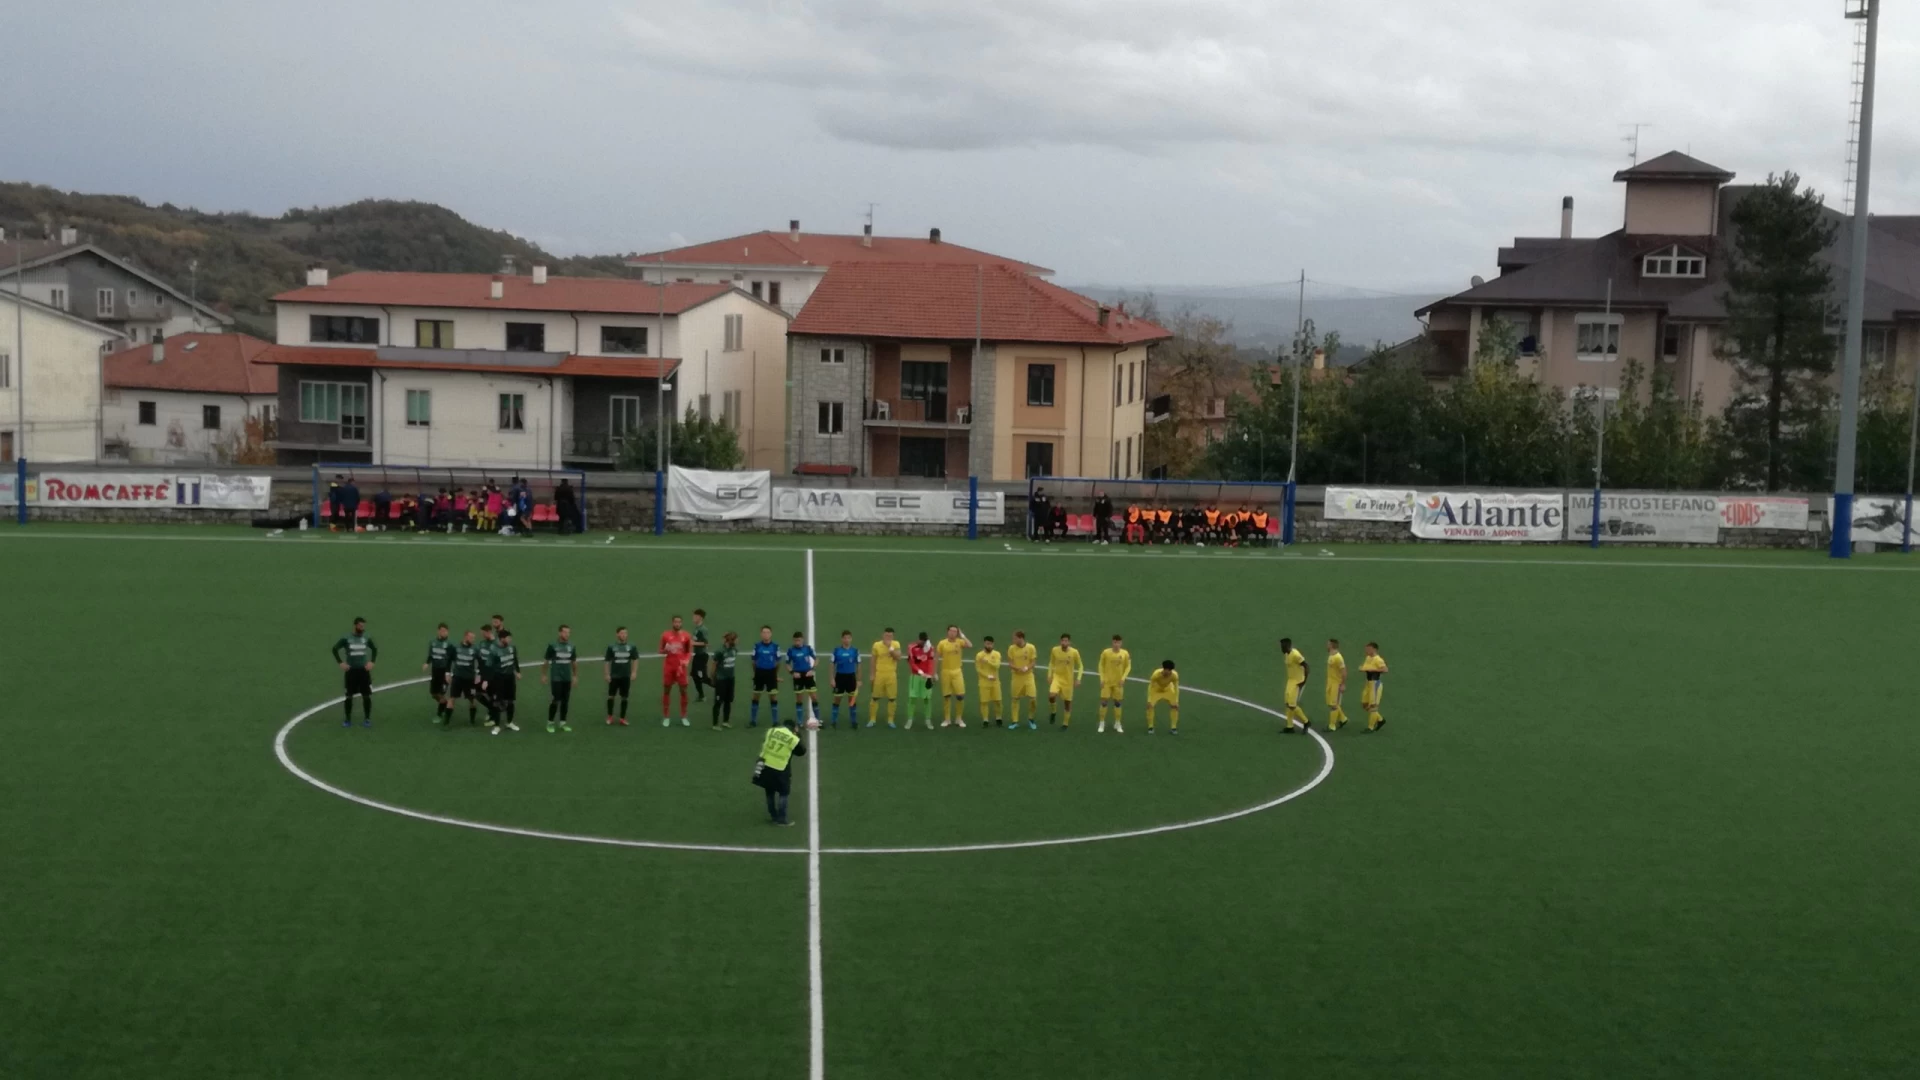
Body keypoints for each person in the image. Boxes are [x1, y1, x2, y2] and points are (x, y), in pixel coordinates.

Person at [754, 718, 810, 826]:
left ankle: (773, 816)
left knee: (769, 791)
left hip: (765, 765)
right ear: (794, 728)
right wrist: (798, 735)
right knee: (783, 793)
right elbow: (802, 751)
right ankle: (782, 818)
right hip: (780, 768)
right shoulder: (793, 738)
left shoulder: (771, 731)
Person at [332, 617, 377, 727]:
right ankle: (348, 719)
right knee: (349, 696)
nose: (362, 628)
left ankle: (367, 719)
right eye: (360, 626)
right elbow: (334, 649)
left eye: (363, 626)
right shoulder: (346, 638)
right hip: (351, 671)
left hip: (363, 671)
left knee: (366, 695)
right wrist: (341, 663)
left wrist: (372, 662)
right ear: (355, 626)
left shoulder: (366, 637)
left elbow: (374, 649)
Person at [660, 615, 694, 727]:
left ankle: (683, 716)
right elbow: (660, 651)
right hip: (669, 667)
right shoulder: (665, 635)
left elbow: (689, 651)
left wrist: (686, 661)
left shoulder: (686, 636)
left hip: (681, 668)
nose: (677, 624)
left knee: (683, 691)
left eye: (679, 622)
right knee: (666, 691)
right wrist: (665, 650)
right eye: (675, 622)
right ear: (672, 623)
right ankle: (666, 716)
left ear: (682, 623)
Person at [543, 624, 577, 733]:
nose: (567, 634)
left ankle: (563, 722)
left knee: (565, 701)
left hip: (567, 678)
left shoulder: (571, 646)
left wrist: (575, 676)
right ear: (560, 633)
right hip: (556, 678)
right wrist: (543, 674)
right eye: (565, 632)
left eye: (568, 632)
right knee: (555, 700)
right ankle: (550, 722)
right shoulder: (552, 646)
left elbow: (574, 662)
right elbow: (546, 661)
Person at [935, 625, 971, 728]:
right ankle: (947, 719)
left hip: (957, 671)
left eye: (955, 631)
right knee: (947, 696)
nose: (953, 633)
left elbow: (969, 645)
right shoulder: (942, 643)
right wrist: (934, 673)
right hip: (945, 672)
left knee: (960, 695)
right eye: (951, 631)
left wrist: (962, 635)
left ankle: (959, 718)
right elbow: (936, 658)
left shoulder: (960, 642)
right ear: (947, 632)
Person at [865, 628, 902, 729]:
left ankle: (890, 720)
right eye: (886, 636)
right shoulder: (876, 645)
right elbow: (873, 660)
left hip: (891, 675)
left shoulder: (896, 644)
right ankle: (872, 719)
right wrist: (872, 674)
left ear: (893, 636)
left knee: (892, 698)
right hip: (879, 675)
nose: (888, 638)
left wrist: (890, 647)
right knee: (875, 697)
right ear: (883, 635)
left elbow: (898, 657)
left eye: (890, 636)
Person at [1048, 633, 1084, 728]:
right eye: (1062, 641)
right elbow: (1051, 663)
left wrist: (1078, 679)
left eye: (1066, 641)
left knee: (1067, 703)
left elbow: (1080, 666)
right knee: (1051, 696)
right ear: (1060, 641)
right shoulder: (1055, 650)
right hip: (1057, 678)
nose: (1064, 642)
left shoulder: (1074, 652)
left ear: (1069, 642)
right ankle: (1053, 711)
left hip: (1068, 681)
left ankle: (1065, 723)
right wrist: (1049, 675)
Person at [489, 630, 522, 734]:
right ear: (502, 639)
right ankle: (497, 726)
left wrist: (517, 671)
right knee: (497, 702)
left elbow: (514, 660)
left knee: (511, 701)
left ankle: (509, 722)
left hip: (510, 678)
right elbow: (489, 665)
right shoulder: (494, 650)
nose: (509, 640)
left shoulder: (512, 648)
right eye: (508, 638)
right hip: (498, 679)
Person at [1097, 634, 1131, 733]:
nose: (1116, 644)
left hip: (1118, 683)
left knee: (1118, 703)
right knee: (1104, 702)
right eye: (1115, 642)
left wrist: (1123, 678)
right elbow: (1100, 665)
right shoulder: (1106, 653)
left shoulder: (1125, 653)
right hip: (1107, 682)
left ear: (1121, 643)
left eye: (1118, 642)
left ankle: (1117, 723)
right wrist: (1102, 679)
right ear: (1112, 642)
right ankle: (1102, 723)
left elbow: (1128, 667)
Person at [1005, 629, 1039, 730]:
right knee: (1015, 699)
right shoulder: (1011, 648)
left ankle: (1031, 719)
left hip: (1028, 677)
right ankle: (1015, 721)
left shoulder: (1031, 647)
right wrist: (1017, 668)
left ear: (1021, 638)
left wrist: (1027, 668)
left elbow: (1033, 662)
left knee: (1033, 698)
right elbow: (1010, 663)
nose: (1013, 640)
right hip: (1016, 677)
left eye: (1015, 638)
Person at [748, 625, 781, 727]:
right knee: (756, 696)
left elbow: (778, 661)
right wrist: (755, 672)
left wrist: (775, 674)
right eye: (764, 632)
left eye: (768, 632)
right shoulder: (757, 646)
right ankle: (753, 721)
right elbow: (753, 661)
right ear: (761, 634)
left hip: (771, 673)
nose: (766, 634)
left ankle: (775, 721)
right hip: (759, 673)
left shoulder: (776, 646)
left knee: (773, 697)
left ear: (771, 634)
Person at [828, 631, 861, 730]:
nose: (847, 640)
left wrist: (859, 680)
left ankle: (854, 722)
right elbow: (832, 665)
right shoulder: (836, 651)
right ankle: (833, 722)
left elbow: (859, 665)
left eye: (848, 638)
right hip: (840, 678)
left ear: (851, 639)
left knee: (852, 701)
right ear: (842, 639)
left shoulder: (855, 651)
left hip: (851, 677)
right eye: (845, 638)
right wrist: (832, 678)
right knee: (837, 700)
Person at [605, 626, 637, 726]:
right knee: (611, 696)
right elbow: (607, 661)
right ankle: (610, 716)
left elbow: (635, 659)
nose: (623, 635)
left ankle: (622, 718)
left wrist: (634, 672)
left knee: (624, 697)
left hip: (625, 676)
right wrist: (606, 674)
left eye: (625, 633)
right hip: (614, 676)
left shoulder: (631, 647)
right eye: (622, 633)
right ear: (617, 634)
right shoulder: (611, 647)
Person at [423, 622, 454, 725]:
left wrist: (448, 672)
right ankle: (446, 705)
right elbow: (431, 655)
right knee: (433, 694)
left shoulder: (449, 645)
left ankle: (440, 714)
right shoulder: (433, 642)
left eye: (445, 631)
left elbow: (451, 659)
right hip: (435, 671)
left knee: (441, 694)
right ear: (438, 631)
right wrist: (427, 663)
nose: (444, 633)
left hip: (444, 672)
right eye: (442, 631)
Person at [904, 631, 937, 730]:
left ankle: (928, 720)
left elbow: (930, 662)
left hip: (926, 677)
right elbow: (912, 662)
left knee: (927, 699)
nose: (923, 643)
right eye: (922, 641)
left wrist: (930, 675)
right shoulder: (912, 647)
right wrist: (921, 672)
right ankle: (910, 720)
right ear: (918, 639)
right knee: (912, 698)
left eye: (925, 641)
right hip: (915, 677)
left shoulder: (930, 648)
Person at [1278, 637, 1311, 734]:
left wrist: (1304, 681)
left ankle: (1306, 722)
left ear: (1287, 646)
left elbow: (1306, 666)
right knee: (1288, 704)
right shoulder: (1287, 655)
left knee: (1292, 705)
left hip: (1298, 682)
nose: (1281, 648)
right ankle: (1290, 726)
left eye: (1282, 646)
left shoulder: (1295, 654)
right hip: (1291, 681)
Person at [449, 630, 481, 725]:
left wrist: (478, 674)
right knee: (452, 698)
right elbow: (450, 660)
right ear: (465, 637)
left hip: (470, 679)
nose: (473, 639)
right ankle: (446, 722)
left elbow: (481, 662)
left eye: (474, 638)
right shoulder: (456, 648)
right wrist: (447, 673)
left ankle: (472, 721)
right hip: (457, 678)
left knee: (472, 699)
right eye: (471, 637)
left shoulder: (475, 649)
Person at [787, 631, 819, 727]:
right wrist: (792, 672)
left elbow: (816, 659)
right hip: (798, 676)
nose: (797, 642)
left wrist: (812, 669)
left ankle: (817, 719)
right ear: (793, 640)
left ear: (802, 640)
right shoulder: (791, 650)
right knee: (799, 699)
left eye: (799, 640)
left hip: (808, 674)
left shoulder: (808, 648)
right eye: (796, 640)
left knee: (814, 697)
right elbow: (787, 664)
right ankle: (800, 721)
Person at [974, 635, 1004, 728]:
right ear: (984, 644)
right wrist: (987, 676)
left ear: (993, 644)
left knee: (998, 701)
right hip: (984, 682)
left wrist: (987, 661)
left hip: (995, 682)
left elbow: (997, 666)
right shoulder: (979, 655)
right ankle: (985, 720)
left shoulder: (997, 654)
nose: (989, 645)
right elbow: (978, 669)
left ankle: (998, 718)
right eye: (987, 644)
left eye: (990, 644)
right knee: (984, 702)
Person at [711, 631, 739, 729]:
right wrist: (713, 678)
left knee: (728, 700)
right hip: (721, 679)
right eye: (736, 639)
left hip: (730, 679)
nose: (737, 641)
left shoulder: (734, 650)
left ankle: (725, 721)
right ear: (730, 640)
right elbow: (714, 664)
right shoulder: (720, 651)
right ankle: (715, 724)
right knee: (718, 702)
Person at [1146, 660, 1180, 734]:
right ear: (1164, 669)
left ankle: (1173, 727)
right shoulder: (1156, 674)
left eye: (1170, 671)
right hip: (1156, 690)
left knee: (1175, 706)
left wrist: (1176, 701)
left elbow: (1176, 687)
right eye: (1168, 670)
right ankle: (1150, 726)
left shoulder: (1174, 675)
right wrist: (1149, 700)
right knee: (1150, 706)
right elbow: (1150, 686)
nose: (1169, 673)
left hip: (1168, 690)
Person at [1361, 642, 1389, 732]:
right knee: (1364, 704)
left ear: (1374, 649)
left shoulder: (1378, 659)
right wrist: (1362, 668)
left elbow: (1385, 669)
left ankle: (1371, 727)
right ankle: (1380, 719)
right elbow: (1366, 667)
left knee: (1373, 706)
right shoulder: (1368, 658)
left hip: (1375, 684)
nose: (1366, 651)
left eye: (1368, 649)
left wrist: (1373, 669)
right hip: (1368, 683)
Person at [476, 624, 500, 727]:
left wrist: (488, 679)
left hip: (493, 676)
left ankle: (494, 718)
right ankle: (491, 710)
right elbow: (480, 660)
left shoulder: (496, 645)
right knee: (477, 694)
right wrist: (478, 673)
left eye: (483, 633)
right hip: (483, 674)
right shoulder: (482, 643)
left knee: (493, 697)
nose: (482, 635)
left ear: (488, 632)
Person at [1325, 638, 1350, 731]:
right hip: (1330, 683)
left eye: (1328, 644)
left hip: (1336, 683)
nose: (1326, 645)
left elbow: (1344, 671)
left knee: (1333, 705)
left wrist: (1343, 684)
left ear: (1332, 645)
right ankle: (1343, 719)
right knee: (1330, 703)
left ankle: (1332, 726)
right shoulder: (1331, 655)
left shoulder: (1338, 657)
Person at [690, 609, 712, 703]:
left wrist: (692, 643)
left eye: (695, 616)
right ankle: (701, 695)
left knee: (703, 678)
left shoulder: (703, 629)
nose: (693, 618)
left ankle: (720, 688)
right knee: (694, 675)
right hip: (697, 656)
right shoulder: (696, 629)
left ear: (700, 617)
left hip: (702, 656)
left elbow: (706, 643)